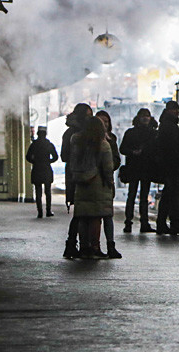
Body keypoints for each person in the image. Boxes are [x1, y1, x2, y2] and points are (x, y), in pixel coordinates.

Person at [67, 116, 118, 259]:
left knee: (83, 217)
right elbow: (108, 168)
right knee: (95, 217)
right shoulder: (103, 145)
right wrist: (110, 183)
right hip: (98, 184)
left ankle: (84, 247)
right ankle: (95, 247)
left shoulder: (77, 142)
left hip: (81, 184)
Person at [61, 103, 93, 259]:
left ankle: (75, 243)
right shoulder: (78, 134)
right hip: (78, 175)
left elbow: (64, 156)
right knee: (82, 211)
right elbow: (65, 155)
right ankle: (76, 243)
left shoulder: (69, 132)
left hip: (73, 174)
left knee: (81, 212)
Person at [120, 108, 158, 233]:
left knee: (132, 195)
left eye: (147, 116)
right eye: (144, 116)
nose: (145, 118)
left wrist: (132, 152)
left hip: (135, 167)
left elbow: (123, 149)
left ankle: (129, 222)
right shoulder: (152, 133)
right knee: (141, 196)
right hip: (144, 168)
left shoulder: (131, 132)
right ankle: (143, 223)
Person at [155, 101, 179, 235]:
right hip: (172, 167)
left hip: (166, 166)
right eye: (175, 110)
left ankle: (162, 223)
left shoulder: (165, 125)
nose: (177, 112)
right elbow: (173, 149)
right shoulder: (171, 127)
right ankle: (174, 223)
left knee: (167, 195)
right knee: (174, 196)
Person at [95, 110, 122, 258]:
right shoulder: (90, 139)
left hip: (107, 181)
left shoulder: (112, 139)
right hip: (95, 181)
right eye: (101, 121)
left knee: (107, 214)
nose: (104, 124)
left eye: (106, 122)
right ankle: (95, 244)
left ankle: (110, 245)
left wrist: (110, 166)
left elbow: (116, 158)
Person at [24, 127, 58, 218]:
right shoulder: (49, 144)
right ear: (45, 134)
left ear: (38, 134)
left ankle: (40, 212)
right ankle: (48, 211)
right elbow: (55, 157)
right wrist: (48, 161)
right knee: (48, 191)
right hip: (46, 169)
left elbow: (28, 157)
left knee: (38, 191)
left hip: (37, 169)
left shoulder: (34, 145)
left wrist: (34, 162)